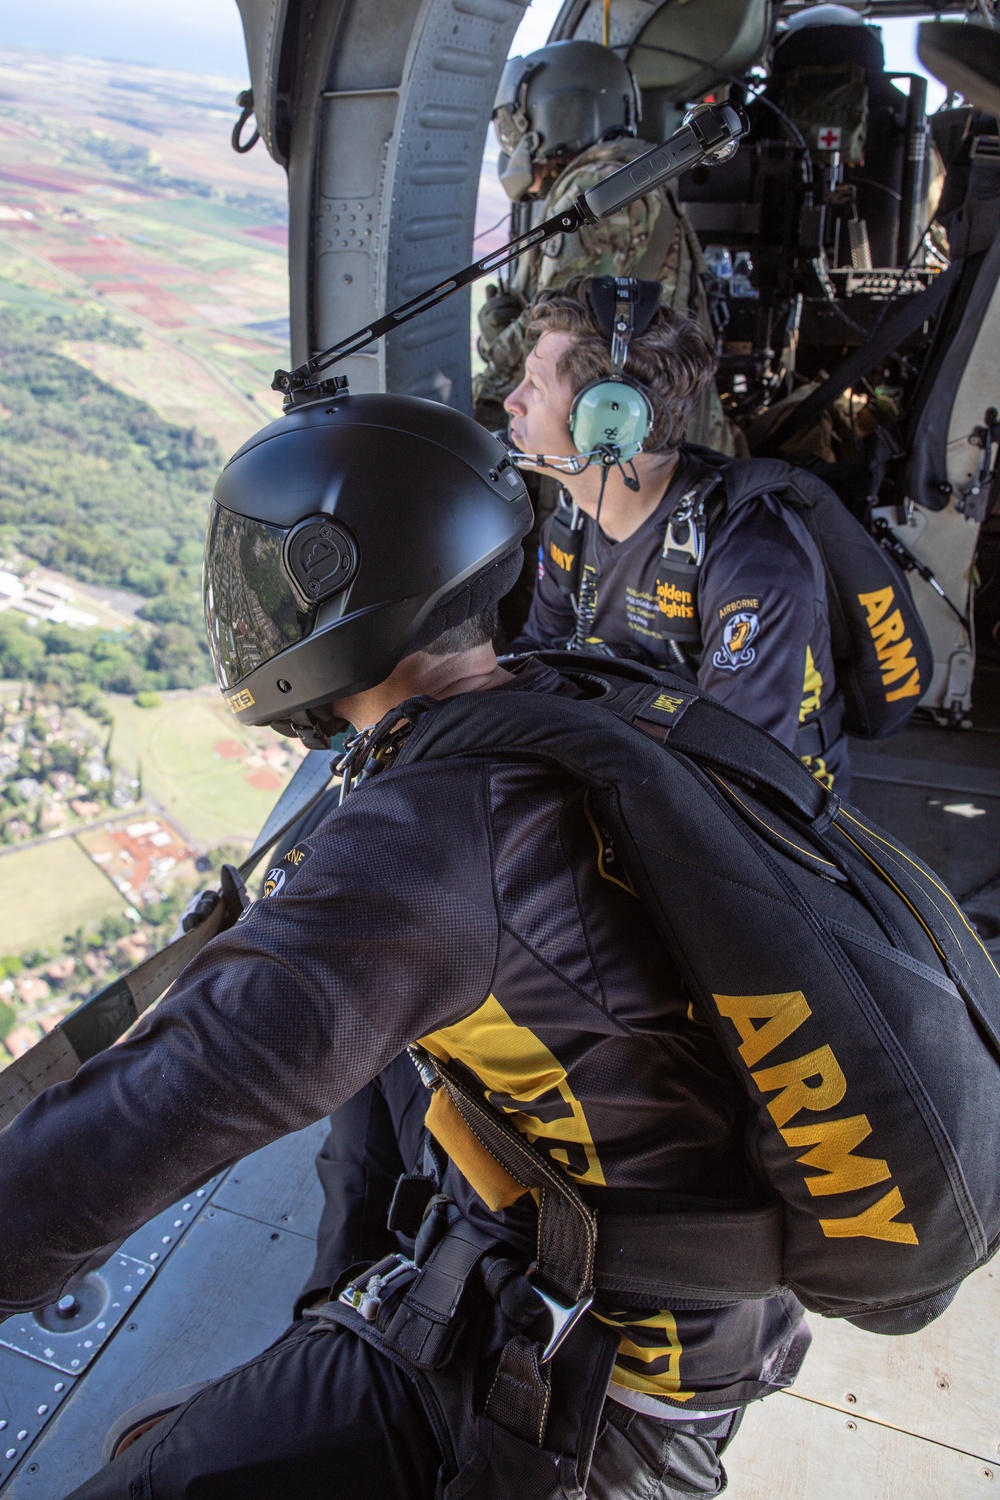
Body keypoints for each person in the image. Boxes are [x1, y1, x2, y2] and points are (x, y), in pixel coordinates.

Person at [0, 390, 810, 1499]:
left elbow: (143, 1120)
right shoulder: (571, 703)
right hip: (562, 1273)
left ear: (339, 585)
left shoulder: (423, 851)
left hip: (599, 1392)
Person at [507, 274, 851, 793]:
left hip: (774, 824)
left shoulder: (753, 558)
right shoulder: (574, 519)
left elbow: (739, 776)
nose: (513, 401)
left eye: (535, 384)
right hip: (639, 762)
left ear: (608, 425)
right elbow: (538, 653)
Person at [474, 38, 735, 457]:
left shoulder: (595, 195)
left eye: (514, 126)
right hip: (647, 429)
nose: (513, 144)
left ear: (558, 113)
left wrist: (490, 372)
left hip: (620, 438)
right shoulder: (629, 179)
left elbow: (561, 333)